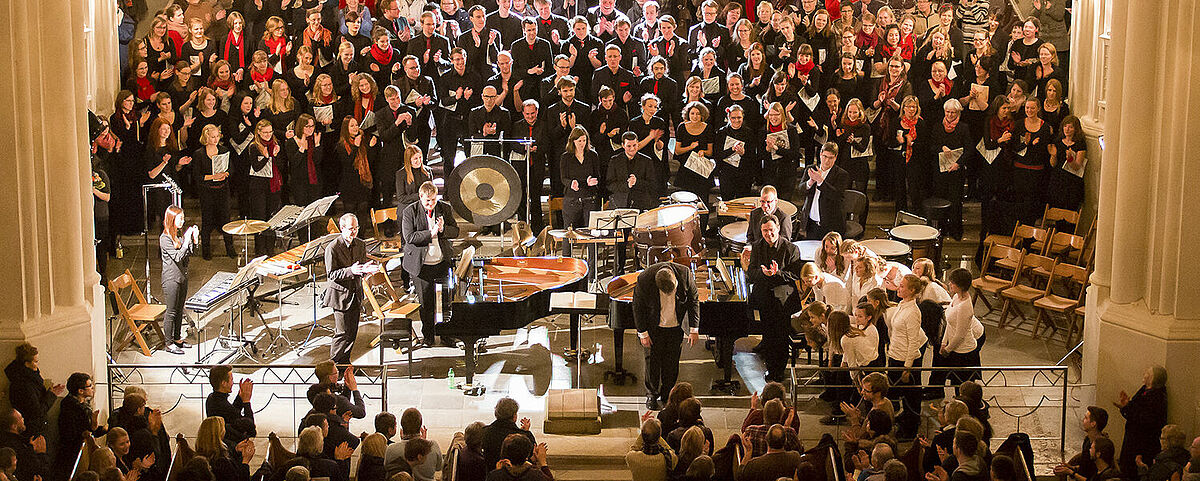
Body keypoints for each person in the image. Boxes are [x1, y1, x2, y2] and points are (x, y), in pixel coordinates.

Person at [740, 214, 802, 382]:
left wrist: (777, 273)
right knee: (768, 336)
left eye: (771, 230)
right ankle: (770, 368)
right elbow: (751, 273)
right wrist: (763, 273)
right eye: (765, 231)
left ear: (778, 229)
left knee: (781, 338)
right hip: (764, 299)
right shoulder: (757, 246)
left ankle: (779, 371)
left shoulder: (791, 249)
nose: (768, 234)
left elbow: (795, 274)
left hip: (783, 301)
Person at [634, 262, 700, 410]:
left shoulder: (685, 274)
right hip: (653, 328)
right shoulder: (644, 279)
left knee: (672, 363)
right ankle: (652, 394)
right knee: (652, 362)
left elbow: (694, 300)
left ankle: (667, 395)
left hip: (675, 328)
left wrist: (694, 329)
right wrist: (643, 333)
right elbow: (638, 307)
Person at [401, 182, 457, 345]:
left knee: (445, 302)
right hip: (421, 266)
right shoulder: (409, 211)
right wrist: (430, 233)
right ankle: (428, 336)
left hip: (442, 263)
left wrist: (443, 229)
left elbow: (456, 231)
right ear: (420, 197)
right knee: (426, 303)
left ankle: (446, 335)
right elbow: (409, 237)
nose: (431, 203)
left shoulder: (444, 208)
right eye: (427, 201)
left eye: (433, 199)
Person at [322, 213, 380, 363]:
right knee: (342, 333)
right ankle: (334, 366)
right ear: (342, 228)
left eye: (356, 228)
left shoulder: (360, 244)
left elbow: (360, 267)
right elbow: (331, 274)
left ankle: (345, 364)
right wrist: (351, 271)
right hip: (340, 297)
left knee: (352, 333)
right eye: (350, 228)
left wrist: (365, 270)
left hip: (355, 294)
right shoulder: (333, 248)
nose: (354, 232)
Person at [888, 274, 929, 439]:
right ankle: (906, 416)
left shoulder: (912, 312)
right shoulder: (902, 304)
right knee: (903, 393)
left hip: (906, 360)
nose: (899, 287)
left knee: (911, 395)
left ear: (912, 290)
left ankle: (911, 428)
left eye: (902, 286)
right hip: (896, 355)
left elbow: (913, 341)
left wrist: (907, 367)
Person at [1115, 365, 1169, 478]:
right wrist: (1126, 405)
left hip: (1142, 444)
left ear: (1153, 378)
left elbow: (1144, 421)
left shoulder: (1157, 398)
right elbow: (1135, 411)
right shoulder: (1144, 390)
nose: (1144, 374)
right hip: (1132, 439)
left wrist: (1127, 407)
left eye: (1148, 373)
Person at [160, 205, 199, 355]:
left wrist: (194, 240)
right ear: (171, 219)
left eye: (183, 218)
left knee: (179, 309)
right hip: (171, 279)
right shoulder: (165, 238)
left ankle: (177, 338)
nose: (183, 221)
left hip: (182, 277)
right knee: (171, 311)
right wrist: (186, 240)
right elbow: (177, 257)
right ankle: (168, 343)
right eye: (180, 219)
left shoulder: (178, 235)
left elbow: (187, 255)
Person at [56, 373, 107, 481]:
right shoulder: (72, 409)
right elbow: (81, 431)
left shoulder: (81, 405)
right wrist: (94, 427)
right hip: (72, 451)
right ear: (80, 391)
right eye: (90, 386)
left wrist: (101, 429)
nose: (93, 388)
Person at [800, 142, 849, 240]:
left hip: (830, 225)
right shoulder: (811, 169)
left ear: (835, 158)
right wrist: (810, 182)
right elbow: (801, 191)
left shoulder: (841, 174)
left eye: (830, 158)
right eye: (825, 156)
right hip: (811, 223)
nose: (827, 161)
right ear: (820, 154)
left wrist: (820, 181)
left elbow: (837, 196)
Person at [559, 125, 601, 229]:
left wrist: (592, 181)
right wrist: (571, 183)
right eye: (579, 141)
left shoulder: (593, 155)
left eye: (584, 140)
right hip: (572, 199)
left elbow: (597, 176)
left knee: (591, 230)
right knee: (570, 231)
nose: (582, 144)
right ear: (573, 141)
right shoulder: (566, 157)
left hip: (589, 198)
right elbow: (563, 178)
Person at [383, 408, 442, 481]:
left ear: (402, 427)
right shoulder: (432, 446)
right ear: (420, 426)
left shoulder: (391, 449)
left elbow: (387, 468)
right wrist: (422, 443)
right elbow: (439, 467)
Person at [204, 365, 256, 444]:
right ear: (224, 383)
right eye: (231, 380)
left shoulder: (211, 398)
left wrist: (240, 396)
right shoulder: (223, 406)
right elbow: (251, 429)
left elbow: (233, 414)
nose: (233, 383)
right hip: (231, 447)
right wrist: (246, 402)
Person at [1055, 406, 1110, 481]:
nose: (1083, 420)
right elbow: (1085, 467)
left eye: (1086, 418)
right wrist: (1070, 467)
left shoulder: (1100, 447)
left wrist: (1071, 472)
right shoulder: (1087, 440)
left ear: (1093, 424)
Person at [607, 131, 657, 210]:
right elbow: (610, 185)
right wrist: (627, 185)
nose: (632, 148)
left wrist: (636, 182)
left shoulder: (647, 161)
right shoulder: (614, 160)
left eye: (634, 145)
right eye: (629, 146)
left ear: (638, 143)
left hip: (642, 204)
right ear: (623, 145)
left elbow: (652, 185)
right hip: (620, 204)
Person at [195, 417, 255, 481]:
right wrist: (245, 462)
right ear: (219, 433)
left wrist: (235, 450)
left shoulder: (197, 459)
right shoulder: (221, 462)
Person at [736, 424, 802, 481]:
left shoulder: (754, 465)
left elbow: (739, 476)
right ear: (785, 441)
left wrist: (748, 451)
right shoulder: (795, 457)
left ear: (766, 439)